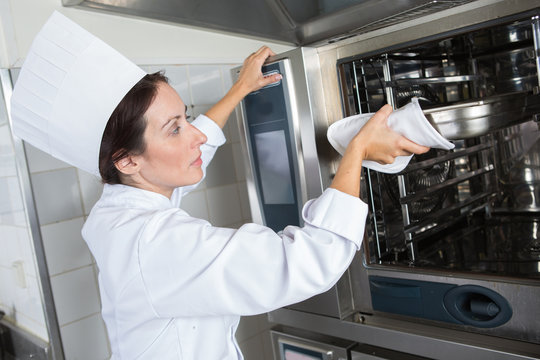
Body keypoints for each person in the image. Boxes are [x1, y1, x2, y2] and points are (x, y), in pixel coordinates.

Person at [11, 12, 429, 360]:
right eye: (175, 129)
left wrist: (240, 89)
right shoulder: (157, 245)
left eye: (185, 116)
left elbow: (195, 150)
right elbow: (307, 262)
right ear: (127, 160)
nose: (194, 135)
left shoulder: (122, 203)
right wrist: (356, 152)